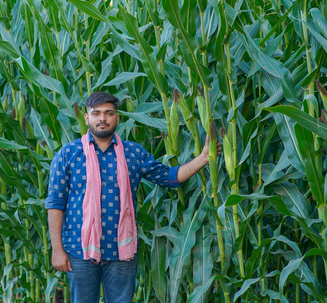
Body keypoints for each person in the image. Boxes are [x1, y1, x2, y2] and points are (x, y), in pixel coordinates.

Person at [45, 92, 221, 303]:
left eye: (109, 113)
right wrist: (57, 250)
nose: (103, 118)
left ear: (117, 118)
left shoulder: (133, 153)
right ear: (86, 118)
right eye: (96, 113)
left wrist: (202, 159)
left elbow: (169, 177)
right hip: (79, 250)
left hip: (121, 249)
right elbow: (55, 204)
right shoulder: (67, 154)